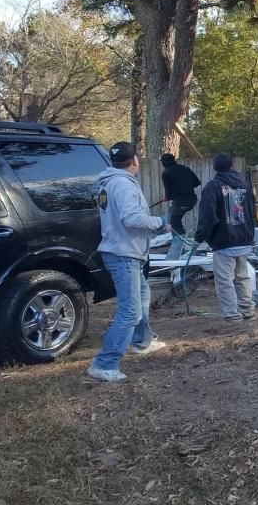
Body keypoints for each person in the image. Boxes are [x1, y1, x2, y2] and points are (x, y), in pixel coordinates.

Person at [88, 142, 170, 383]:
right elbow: (131, 218)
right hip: (124, 254)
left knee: (143, 296)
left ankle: (141, 342)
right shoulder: (123, 184)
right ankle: (104, 364)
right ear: (134, 160)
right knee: (130, 311)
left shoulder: (110, 183)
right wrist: (159, 222)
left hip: (127, 252)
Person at [195, 152, 258, 322]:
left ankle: (232, 315)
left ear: (215, 167)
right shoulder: (245, 184)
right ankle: (248, 310)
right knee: (242, 276)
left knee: (224, 281)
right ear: (231, 165)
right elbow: (252, 211)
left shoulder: (213, 186)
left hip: (224, 242)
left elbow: (207, 216)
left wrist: (200, 237)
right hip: (244, 238)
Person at [160, 153, 201, 260]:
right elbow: (196, 183)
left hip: (181, 202)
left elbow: (168, 192)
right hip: (191, 200)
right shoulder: (185, 169)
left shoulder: (166, 173)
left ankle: (175, 255)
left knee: (174, 225)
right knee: (171, 214)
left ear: (163, 162)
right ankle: (183, 247)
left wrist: (168, 197)